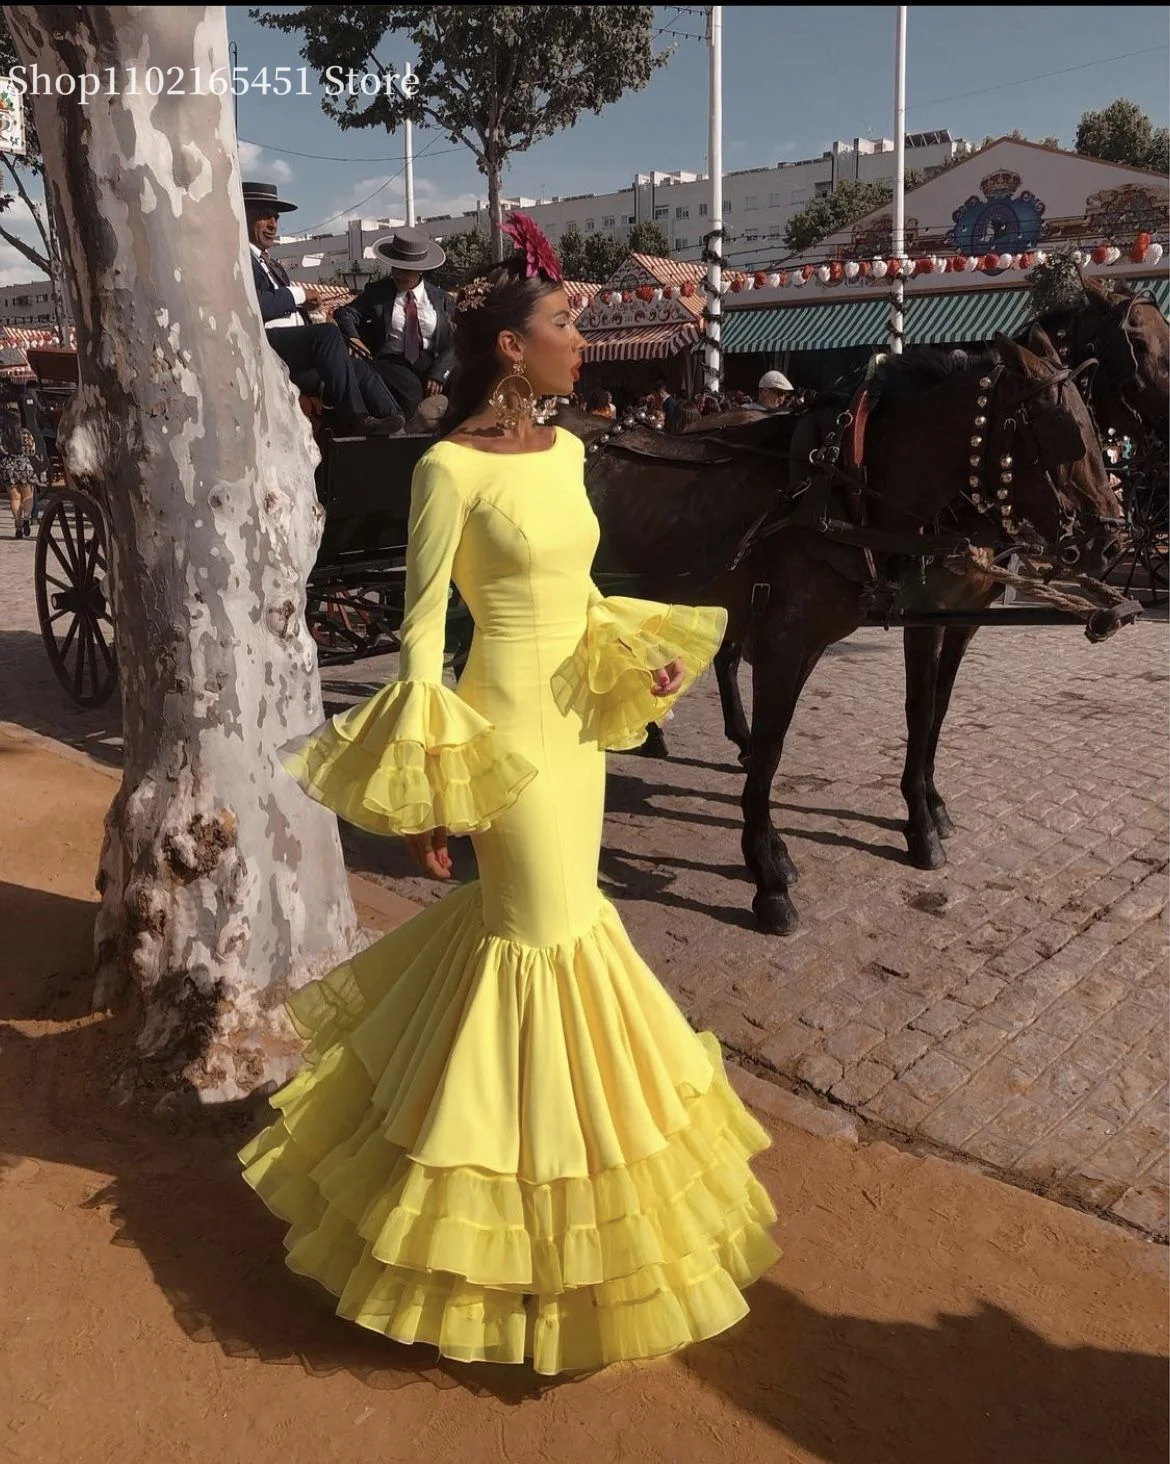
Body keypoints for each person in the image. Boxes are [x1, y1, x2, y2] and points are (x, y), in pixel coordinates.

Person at [240, 212, 779, 1377]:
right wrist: (438, 787)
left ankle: (532, 1226)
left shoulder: (576, 453)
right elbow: (425, 634)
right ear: (509, 351)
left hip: (580, 724)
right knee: (536, 941)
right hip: (504, 738)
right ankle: (508, 1243)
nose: (581, 340)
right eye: (563, 325)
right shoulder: (444, 469)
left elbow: (582, 591)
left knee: (553, 932)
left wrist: (638, 657)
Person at [244, 181, 404, 437]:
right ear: (244, 216)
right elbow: (256, 304)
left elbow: (295, 311)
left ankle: (398, 427)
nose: (273, 224)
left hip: (298, 349)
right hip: (265, 344)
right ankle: (357, 418)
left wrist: (319, 318)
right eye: (264, 216)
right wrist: (299, 294)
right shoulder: (241, 259)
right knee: (326, 336)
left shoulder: (274, 266)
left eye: (275, 217)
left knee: (359, 366)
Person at [334, 226, 456, 423]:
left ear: (420, 270)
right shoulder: (378, 292)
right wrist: (354, 339)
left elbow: (456, 340)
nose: (399, 275)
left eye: (406, 270)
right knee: (411, 395)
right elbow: (345, 313)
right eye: (395, 268)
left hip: (431, 361)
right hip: (393, 361)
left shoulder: (442, 300)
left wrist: (440, 373)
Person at [0, 396, 36, 538]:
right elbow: (32, 450)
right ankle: (27, 518)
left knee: (15, 498)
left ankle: (18, 527)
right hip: (24, 466)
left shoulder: (3, 435)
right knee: (27, 496)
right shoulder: (25, 433)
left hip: (8, 467)